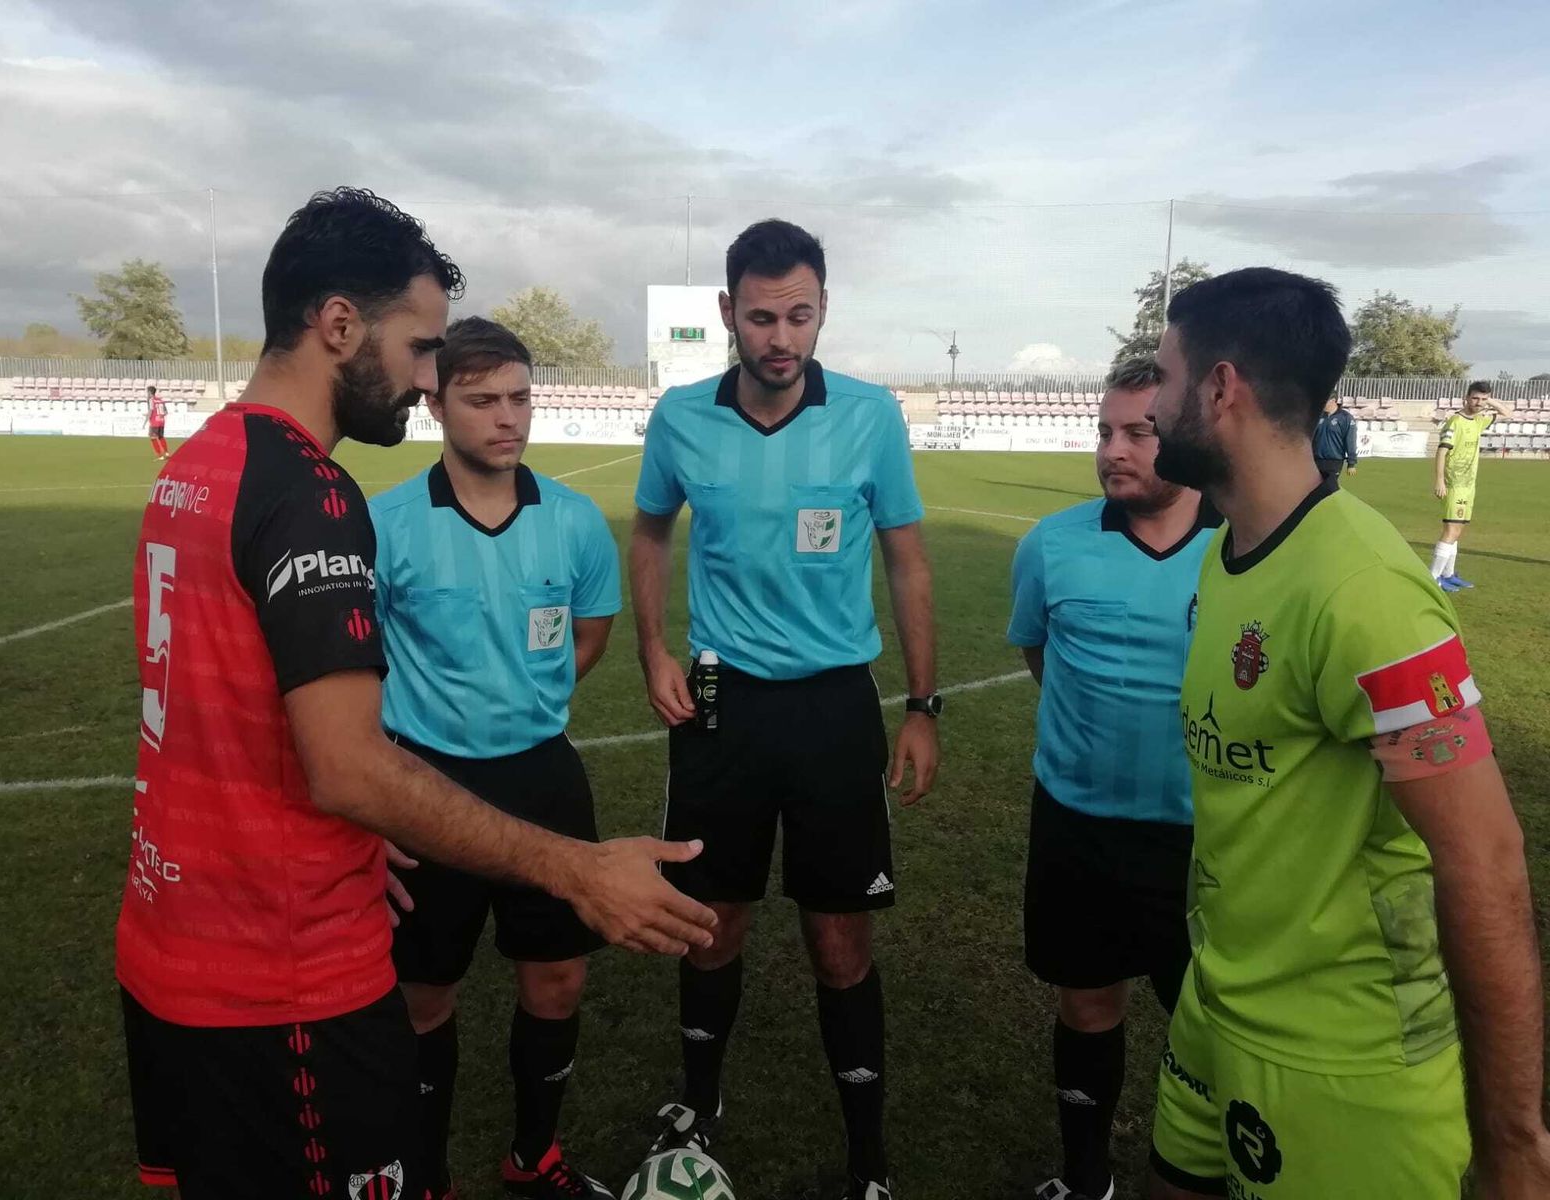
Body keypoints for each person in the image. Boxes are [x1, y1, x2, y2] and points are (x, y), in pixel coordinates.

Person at [116, 187, 716, 1200]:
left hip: (177, 940)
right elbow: (349, 768)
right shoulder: (311, 495)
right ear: (339, 325)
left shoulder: (198, 465)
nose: (426, 376)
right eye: (421, 348)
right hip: (278, 965)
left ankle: (529, 1151)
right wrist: (575, 867)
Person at [1146, 267, 1548, 1200]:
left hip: (1344, 1057)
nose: (1154, 405)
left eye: (1164, 378)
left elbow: (1485, 861)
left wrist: (1515, 1142)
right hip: (1218, 1002)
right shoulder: (1225, 549)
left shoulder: (1364, 591)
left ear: (1220, 388)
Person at [629, 218, 938, 1200]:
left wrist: (922, 705)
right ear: (729, 312)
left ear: (822, 311)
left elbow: (907, 562)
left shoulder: (869, 417)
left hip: (833, 710)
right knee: (709, 920)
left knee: (839, 940)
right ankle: (699, 1104)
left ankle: (867, 1156)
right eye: (762, 317)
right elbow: (649, 532)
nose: (780, 337)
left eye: (799, 316)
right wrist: (652, 650)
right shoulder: (682, 417)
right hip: (721, 705)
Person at [370, 317, 622, 1200]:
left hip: (543, 775)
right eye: (481, 401)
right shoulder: (385, 524)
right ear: (435, 405)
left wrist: (520, 697)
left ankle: (534, 1156)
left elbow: (589, 636)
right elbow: (352, 670)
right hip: (422, 785)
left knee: (557, 980)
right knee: (422, 995)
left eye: (519, 398)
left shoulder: (576, 521)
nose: (507, 418)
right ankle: (427, 1177)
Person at [1009, 356, 1219, 1200]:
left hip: (1203, 838)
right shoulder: (1051, 544)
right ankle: (1085, 1175)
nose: (1113, 451)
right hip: (1078, 824)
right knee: (1087, 1005)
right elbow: (1041, 654)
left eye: (1139, 432)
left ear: (1188, 433)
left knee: (1212, 1022)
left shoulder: (1242, 547)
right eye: (1104, 431)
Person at [1430, 379, 1512, 591]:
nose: (1479, 402)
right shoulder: (1455, 422)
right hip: (1454, 484)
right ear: (1466, 398)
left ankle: (1448, 574)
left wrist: (1488, 401)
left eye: (1483, 399)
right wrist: (1439, 480)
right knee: (1451, 530)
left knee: (1458, 531)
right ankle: (1433, 578)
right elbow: (1441, 451)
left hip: (1468, 485)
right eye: (1475, 398)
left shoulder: (1479, 421)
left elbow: (1507, 413)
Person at [1309, 393, 1355, 480]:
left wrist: (1351, 463)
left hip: (1334, 461)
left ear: (1333, 400)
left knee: (1329, 486)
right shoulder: (1317, 416)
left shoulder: (1345, 418)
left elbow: (1350, 440)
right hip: (1316, 460)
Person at [144, 384, 168, 460]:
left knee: (153, 438)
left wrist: (145, 422)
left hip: (154, 422)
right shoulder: (161, 400)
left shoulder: (151, 400)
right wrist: (160, 415)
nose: (147, 394)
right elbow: (166, 412)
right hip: (161, 422)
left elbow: (151, 411)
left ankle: (160, 456)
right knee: (161, 437)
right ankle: (166, 452)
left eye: (147, 392)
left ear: (150, 392)